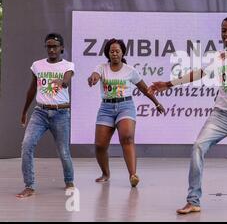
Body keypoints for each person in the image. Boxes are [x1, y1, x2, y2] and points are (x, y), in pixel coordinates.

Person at [150, 16, 227, 213]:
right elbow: (198, 73)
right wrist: (168, 84)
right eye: (224, 30)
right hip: (221, 115)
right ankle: (193, 200)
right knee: (198, 147)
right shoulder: (219, 57)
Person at [88, 38, 164, 187]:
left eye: (117, 51)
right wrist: (92, 79)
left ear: (122, 53)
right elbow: (95, 76)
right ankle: (105, 173)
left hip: (125, 106)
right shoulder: (102, 68)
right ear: (107, 53)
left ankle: (133, 175)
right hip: (106, 108)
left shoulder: (130, 70)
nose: (114, 54)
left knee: (127, 138)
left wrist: (156, 102)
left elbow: (144, 88)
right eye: (111, 51)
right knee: (100, 145)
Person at [17, 33, 75, 198]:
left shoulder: (68, 65)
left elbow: (67, 78)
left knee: (63, 151)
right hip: (40, 113)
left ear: (61, 48)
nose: (51, 49)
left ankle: (69, 181)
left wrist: (62, 83)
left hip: (61, 113)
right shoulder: (37, 65)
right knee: (27, 145)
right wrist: (24, 111)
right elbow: (32, 89)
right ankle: (29, 186)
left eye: (55, 46)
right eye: (48, 46)